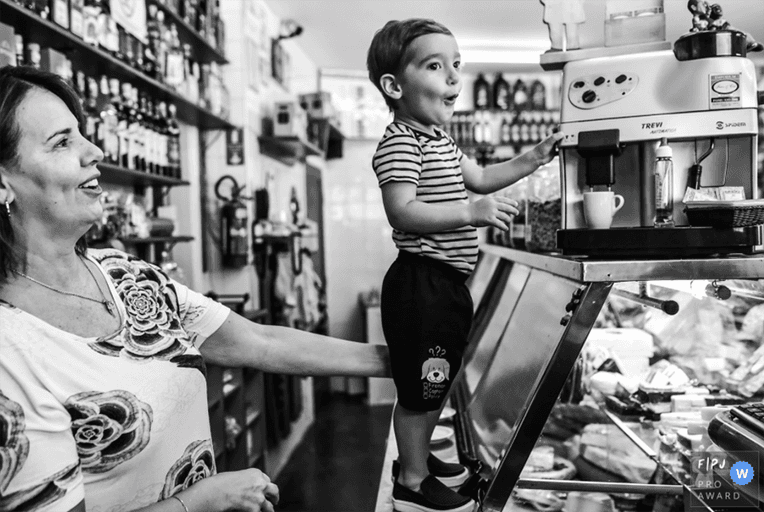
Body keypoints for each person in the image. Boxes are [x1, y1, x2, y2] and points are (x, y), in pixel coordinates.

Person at [0, 65, 390, 512]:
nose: (95, 150)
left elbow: (261, 341)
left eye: (82, 134)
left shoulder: (128, 276)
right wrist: (202, 500)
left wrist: (396, 362)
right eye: (62, 142)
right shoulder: (10, 350)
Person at [366, 19, 564, 512]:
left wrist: (534, 158)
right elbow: (402, 211)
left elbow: (482, 176)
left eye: (456, 64)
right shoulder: (401, 142)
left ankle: (417, 461)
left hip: (446, 283)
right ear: (394, 86)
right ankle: (412, 483)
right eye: (435, 66)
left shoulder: (441, 140)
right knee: (420, 388)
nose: (454, 76)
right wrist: (469, 213)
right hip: (421, 282)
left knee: (434, 382)